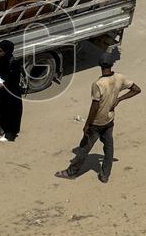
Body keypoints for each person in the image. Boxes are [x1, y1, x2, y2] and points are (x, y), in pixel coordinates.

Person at [56, 51, 141, 183]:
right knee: (109, 148)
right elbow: (136, 89)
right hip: (109, 120)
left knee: (84, 148)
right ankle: (105, 175)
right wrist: (119, 99)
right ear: (112, 64)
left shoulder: (98, 84)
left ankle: (71, 172)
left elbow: (94, 107)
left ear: (100, 65)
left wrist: (87, 125)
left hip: (97, 123)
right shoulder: (119, 77)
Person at [0, 40, 25, 142]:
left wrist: (3, 85)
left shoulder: (14, 63)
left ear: (7, 51)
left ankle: (10, 134)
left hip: (11, 92)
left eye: (1, 51)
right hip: (0, 92)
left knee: (12, 113)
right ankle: (6, 129)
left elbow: (14, 80)